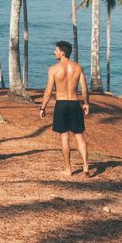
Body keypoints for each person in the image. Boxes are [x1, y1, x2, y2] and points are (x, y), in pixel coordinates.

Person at [39, 40, 93, 178]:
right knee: (79, 135)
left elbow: (48, 90)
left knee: (64, 137)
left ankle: (68, 169)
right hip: (75, 103)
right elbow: (84, 89)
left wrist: (42, 107)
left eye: (56, 50)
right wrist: (86, 103)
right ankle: (86, 165)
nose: (54, 52)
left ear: (62, 53)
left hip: (61, 104)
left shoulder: (53, 69)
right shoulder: (78, 68)